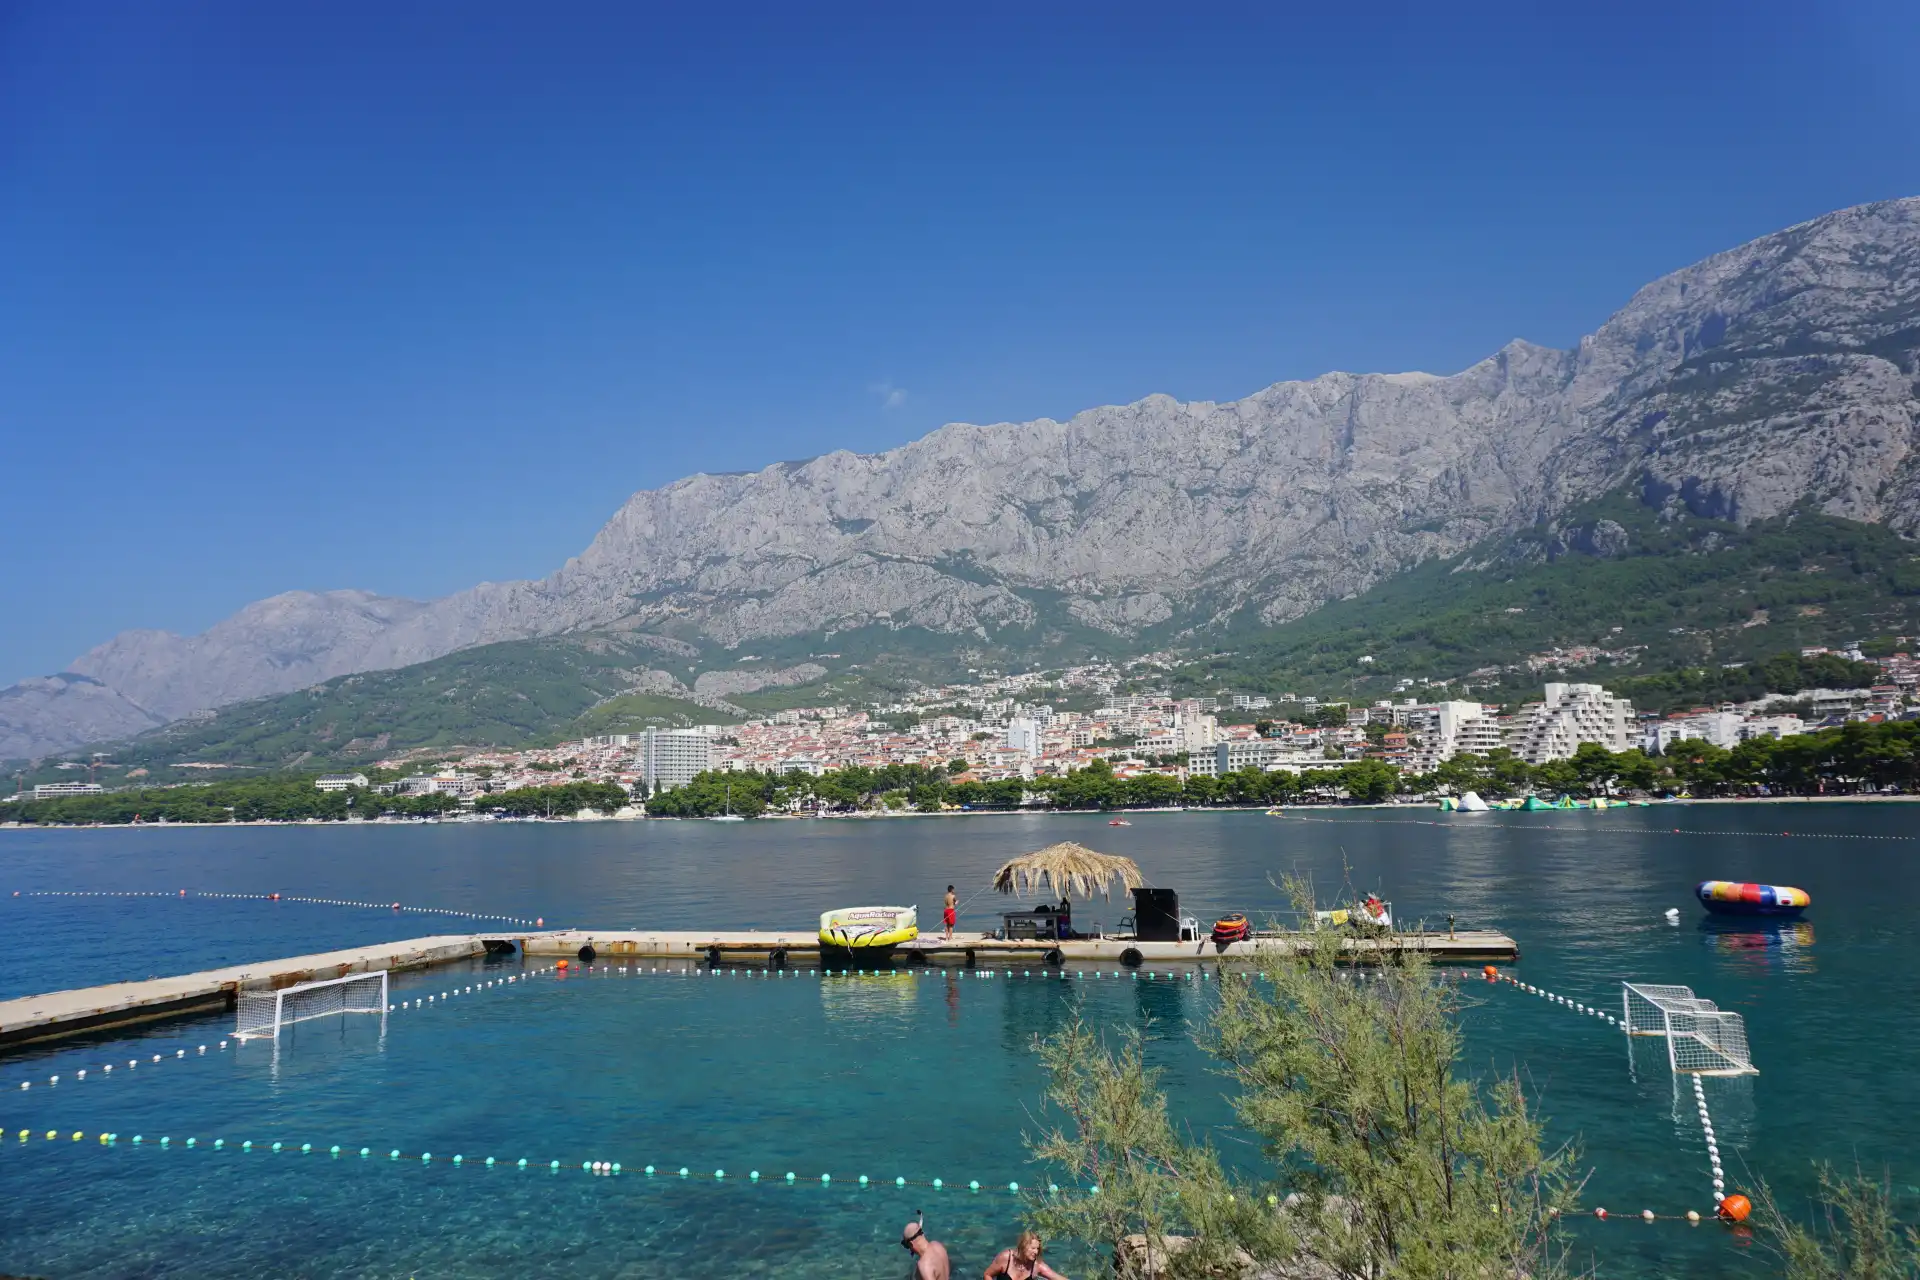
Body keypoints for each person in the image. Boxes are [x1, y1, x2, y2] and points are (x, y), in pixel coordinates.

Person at [984, 1230, 1068, 1280]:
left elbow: (1057, 1278)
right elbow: (987, 1274)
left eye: (1037, 1248)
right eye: (1033, 1248)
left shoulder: (1037, 1266)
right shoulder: (1006, 1258)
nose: (1036, 1252)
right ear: (1023, 1246)